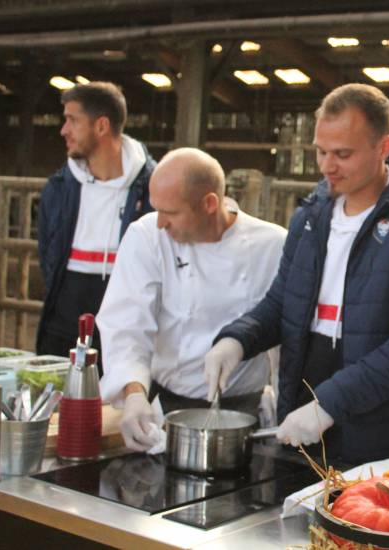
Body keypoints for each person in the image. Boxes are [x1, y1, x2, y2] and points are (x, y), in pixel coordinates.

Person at [206, 84, 389, 464]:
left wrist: (331, 402)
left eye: (342, 154)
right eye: (321, 152)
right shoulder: (311, 216)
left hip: (378, 437)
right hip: (301, 428)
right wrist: (237, 340)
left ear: (383, 148)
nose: (326, 166)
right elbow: (282, 302)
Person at [97, 148, 287, 452]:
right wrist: (133, 395)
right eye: (156, 209)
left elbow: (283, 341)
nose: (160, 223)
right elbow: (126, 326)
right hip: (167, 414)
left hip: (245, 418)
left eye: (170, 213)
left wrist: (286, 410)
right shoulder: (146, 237)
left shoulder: (273, 245)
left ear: (210, 204)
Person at [37, 82, 155, 369]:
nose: (63, 130)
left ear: (101, 126)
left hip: (124, 324)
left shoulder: (151, 187)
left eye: (72, 120)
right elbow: (47, 253)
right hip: (63, 317)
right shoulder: (58, 188)